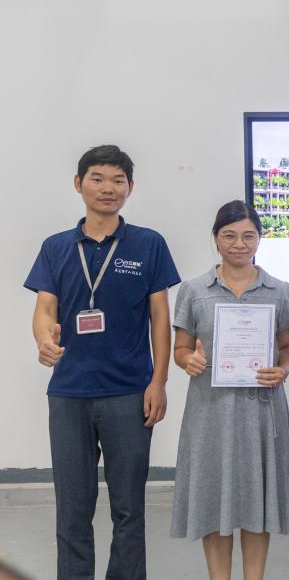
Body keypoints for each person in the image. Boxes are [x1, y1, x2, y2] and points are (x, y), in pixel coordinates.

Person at [24, 145, 180, 579]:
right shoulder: (56, 247)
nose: (107, 188)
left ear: (130, 187)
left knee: (129, 508)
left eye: (117, 180)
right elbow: (45, 307)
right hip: (70, 394)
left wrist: (159, 382)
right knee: (72, 508)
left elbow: (160, 317)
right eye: (97, 178)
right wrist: (44, 338)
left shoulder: (148, 244)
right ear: (79, 184)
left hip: (129, 393)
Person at [170, 200, 289, 579]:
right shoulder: (194, 290)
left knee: (257, 504)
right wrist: (188, 361)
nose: (239, 244)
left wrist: (283, 369)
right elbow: (181, 348)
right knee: (213, 501)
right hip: (210, 410)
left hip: (261, 409)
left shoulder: (278, 290)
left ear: (259, 239)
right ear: (216, 239)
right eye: (229, 235)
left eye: (248, 235)